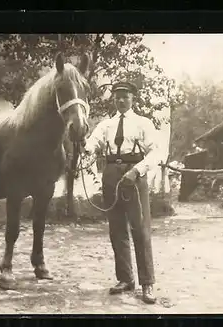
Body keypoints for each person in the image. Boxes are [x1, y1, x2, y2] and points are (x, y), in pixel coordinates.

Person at [82, 81, 167, 304]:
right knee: (116, 229)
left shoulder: (143, 123)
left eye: (125, 96)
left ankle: (147, 283)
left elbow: (156, 152)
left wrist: (137, 171)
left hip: (134, 176)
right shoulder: (106, 125)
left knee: (140, 228)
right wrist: (85, 146)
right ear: (114, 99)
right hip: (111, 176)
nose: (121, 100)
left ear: (133, 98)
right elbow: (92, 144)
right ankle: (125, 278)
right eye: (117, 96)